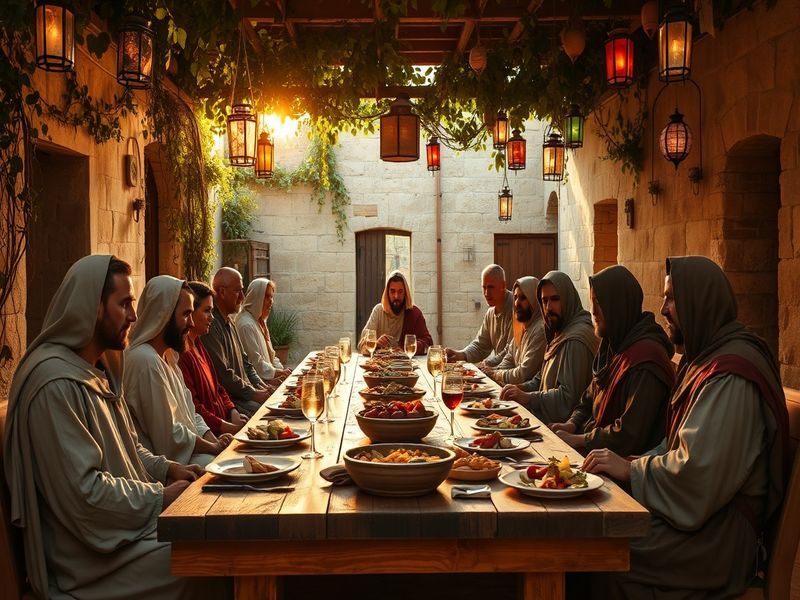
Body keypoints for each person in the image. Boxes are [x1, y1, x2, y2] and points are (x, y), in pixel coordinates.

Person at [3, 255, 229, 599]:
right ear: (92, 307)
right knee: (209, 560)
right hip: (89, 562)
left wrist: (168, 469)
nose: (134, 316)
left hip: (122, 533)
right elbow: (85, 496)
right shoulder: (55, 383)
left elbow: (128, 447)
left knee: (219, 535)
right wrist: (160, 498)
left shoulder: (98, 370)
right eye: (124, 304)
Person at [583, 256, 790, 599]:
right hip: (702, 524)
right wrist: (628, 465)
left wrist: (632, 470)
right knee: (599, 535)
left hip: (718, 541)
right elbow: (673, 444)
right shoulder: (707, 359)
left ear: (700, 302)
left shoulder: (731, 374)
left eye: (671, 298)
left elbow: (696, 473)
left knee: (607, 551)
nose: (662, 308)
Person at [549, 265, 675, 456]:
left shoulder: (646, 359)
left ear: (618, 305)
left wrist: (580, 440)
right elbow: (589, 396)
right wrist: (572, 423)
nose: (593, 311)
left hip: (623, 464)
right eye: (592, 302)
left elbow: (629, 433)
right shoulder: (613, 343)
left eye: (599, 303)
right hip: (596, 448)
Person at [124, 275, 231, 467]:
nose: (191, 323)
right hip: (168, 468)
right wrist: (212, 448)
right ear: (163, 315)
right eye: (185, 314)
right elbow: (169, 437)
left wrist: (214, 442)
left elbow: (192, 414)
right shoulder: (145, 360)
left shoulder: (169, 357)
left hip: (190, 455)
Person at [501, 270, 598, 424]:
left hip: (564, 431)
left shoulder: (576, 340)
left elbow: (567, 398)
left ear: (567, 298)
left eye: (555, 299)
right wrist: (519, 388)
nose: (549, 307)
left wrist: (528, 398)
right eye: (544, 301)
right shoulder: (560, 331)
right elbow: (542, 378)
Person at [179, 281, 249, 436]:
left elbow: (217, 386)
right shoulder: (181, 355)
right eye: (206, 311)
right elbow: (195, 406)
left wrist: (232, 411)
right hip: (213, 431)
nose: (211, 318)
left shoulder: (198, 343)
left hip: (224, 421)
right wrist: (226, 426)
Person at [203, 267, 274, 415]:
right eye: (237, 291)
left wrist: (261, 387)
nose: (242, 297)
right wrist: (254, 393)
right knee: (269, 414)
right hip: (233, 404)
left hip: (245, 396)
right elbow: (223, 374)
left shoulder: (230, 320)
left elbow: (246, 363)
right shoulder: (211, 326)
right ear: (222, 292)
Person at [445, 264, 514, 368]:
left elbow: (510, 352)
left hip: (515, 379)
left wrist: (484, 365)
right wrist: (460, 354)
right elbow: (480, 346)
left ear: (503, 285)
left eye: (491, 287)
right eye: (484, 287)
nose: (486, 293)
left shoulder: (516, 308)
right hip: (499, 373)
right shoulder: (490, 313)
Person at [481, 276, 545, 385]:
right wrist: (493, 371)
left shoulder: (540, 329)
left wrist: (497, 374)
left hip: (528, 397)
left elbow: (524, 373)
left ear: (534, 299)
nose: (517, 303)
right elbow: (509, 359)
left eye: (523, 298)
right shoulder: (521, 326)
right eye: (515, 297)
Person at [357, 270, 433, 354]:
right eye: (392, 291)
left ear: (405, 293)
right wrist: (376, 344)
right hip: (380, 364)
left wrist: (412, 345)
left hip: (406, 365)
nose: (396, 296)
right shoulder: (378, 311)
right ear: (387, 292)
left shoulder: (415, 313)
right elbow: (361, 344)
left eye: (400, 292)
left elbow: (428, 343)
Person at [235, 278, 291, 383]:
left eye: (272, 297)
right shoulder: (246, 325)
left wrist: (282, 371)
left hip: (267, 380)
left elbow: (272, 356)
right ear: (256, 297)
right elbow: (256, 364)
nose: (271, 301)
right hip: (257, 386)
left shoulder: (259, 321)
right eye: (267, 296)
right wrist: (278, 373)